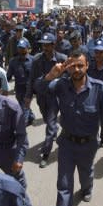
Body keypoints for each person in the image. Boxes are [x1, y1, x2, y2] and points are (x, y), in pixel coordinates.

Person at [36, 49, 103, 206]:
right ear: (67, 67)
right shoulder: (60, 85)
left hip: (88, 144)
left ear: (87, 66)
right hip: (66, 144)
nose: (76, 69)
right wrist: (50, 76)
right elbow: (39, 90)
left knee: (86, 174)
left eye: (80, 65)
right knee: (64, 186)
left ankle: (87, 188)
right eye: (72, 65)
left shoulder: (99, 89)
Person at [26, 33, 67, 168]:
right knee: (48, 120)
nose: (45, 47)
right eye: (43, 45)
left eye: (47, 45)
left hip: (57, 97)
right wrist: (28, 97)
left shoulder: (62, 58)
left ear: (53, 45)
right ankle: (54, 130)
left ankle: (45, 153)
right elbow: (32, 79)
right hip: (42, 96)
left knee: (50, 124)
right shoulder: (37, 59)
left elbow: (69, 78)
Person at [7, 38, 35, 125]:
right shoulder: (13, 61)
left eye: (23, 48)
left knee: (24, 107)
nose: (21, 49)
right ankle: (31, 116)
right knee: (22, 104)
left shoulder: (33, 60)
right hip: (18, 87)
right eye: (19, 47)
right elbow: (8, 76)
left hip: (29, 88)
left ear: (27, 48)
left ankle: (23, 124)